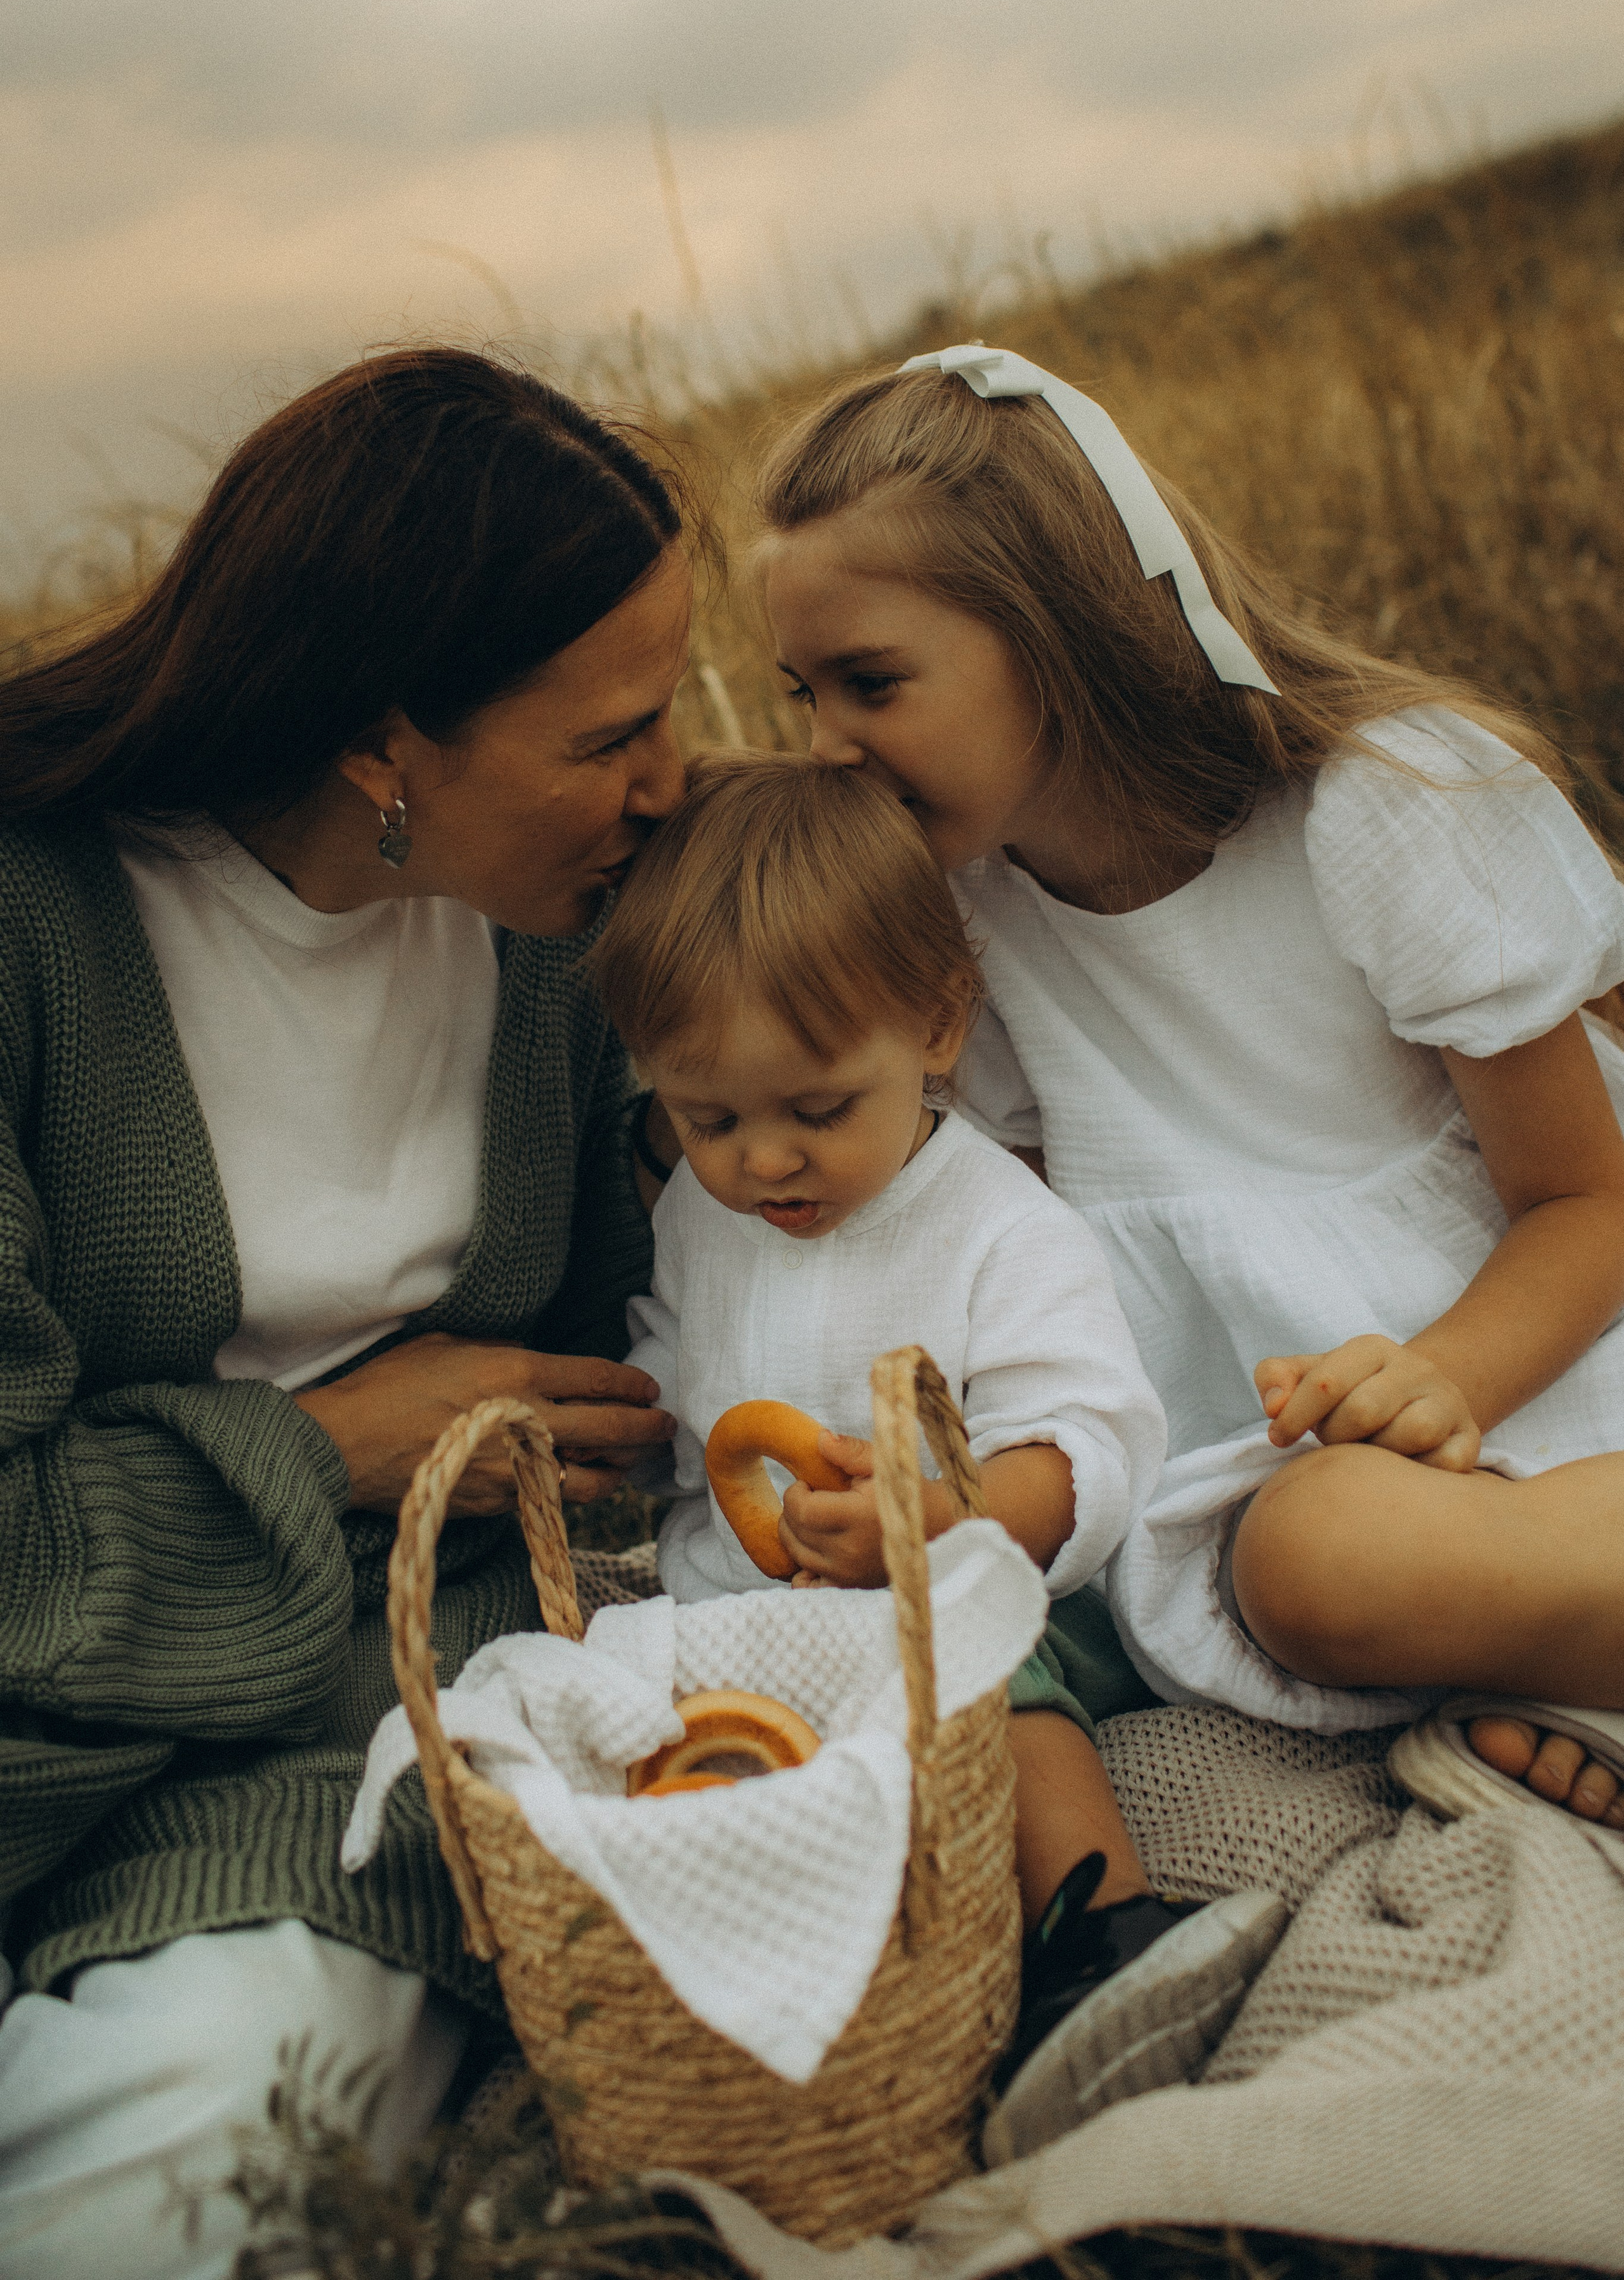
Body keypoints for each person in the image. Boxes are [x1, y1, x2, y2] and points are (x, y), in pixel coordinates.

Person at [0, 348, 689, 2279]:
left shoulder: (565, 937)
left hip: (357, 1712)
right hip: (45, 1705)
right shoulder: (37, 925)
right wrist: (330, 1447)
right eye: (611, 734)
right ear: (390, 743)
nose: (672, 777)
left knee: (214, 2123)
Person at [752, 341, 1624, 1831]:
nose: (828, 745)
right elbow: (997, 1246)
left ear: (1057, 635)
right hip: (1327, 1473)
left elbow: (1585, 1200)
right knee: (1310, 1563)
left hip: (1544, 1347)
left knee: (1327, 1549)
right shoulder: (961, 925)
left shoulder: (1369, 813)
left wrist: (1443, 1379)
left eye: (870, 684)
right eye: (800, 694)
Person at [589, 752, 1288, 2161]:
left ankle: (1100, 1922)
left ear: (936, 1023)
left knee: (983, 1662)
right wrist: (631, 1434)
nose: (761, 1164)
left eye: (814, 1111)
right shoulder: (700, 1215)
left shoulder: (996, 1230)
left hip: (968, 1603)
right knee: (621, 1706)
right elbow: (680, 1365)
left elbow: (1088, 1438)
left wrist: (949, 1515)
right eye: (706, 1119)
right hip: (742, 1613)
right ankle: (748, 1988)